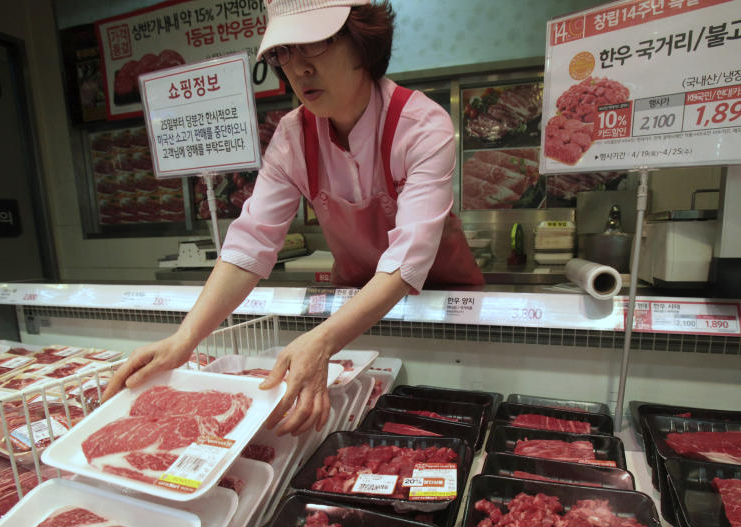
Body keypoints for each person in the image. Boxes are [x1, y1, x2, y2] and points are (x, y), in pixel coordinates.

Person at [106, 0, 483, 435]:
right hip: (358, 320)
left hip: (451, 315)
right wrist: (184, 340)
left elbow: (409, 257)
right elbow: (249, 246)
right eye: (285, 52)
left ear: (362, 45)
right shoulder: (291, 137)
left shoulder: (420, 125)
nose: (298, 69)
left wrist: (321, 341)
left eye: (316, 45)